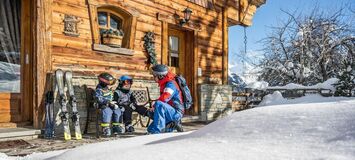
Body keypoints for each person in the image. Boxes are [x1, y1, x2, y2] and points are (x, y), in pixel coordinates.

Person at [147, 64, 184, 134]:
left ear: (160, 76)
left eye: (154, 76)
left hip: (176, 112)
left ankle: (158, 131)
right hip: (169, 111)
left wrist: (154, 106)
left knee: (158, 104)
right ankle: (171, 125)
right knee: (150, 130)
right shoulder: (164, 83)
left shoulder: (171, 84)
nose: (153, 77)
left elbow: (165, 97)